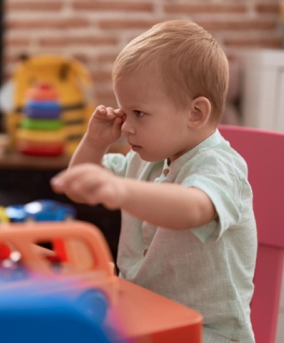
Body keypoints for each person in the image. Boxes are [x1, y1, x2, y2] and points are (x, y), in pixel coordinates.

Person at [51, 20, 257, 343]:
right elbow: (81, 181)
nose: (127, 127)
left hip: (205, 333)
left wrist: (121, 190)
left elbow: (193, 208)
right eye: (124, 112)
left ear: (195, 114)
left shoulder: (220, 165)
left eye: (139, 114)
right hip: (142, 320)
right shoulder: (147, 158)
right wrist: (94, 143)